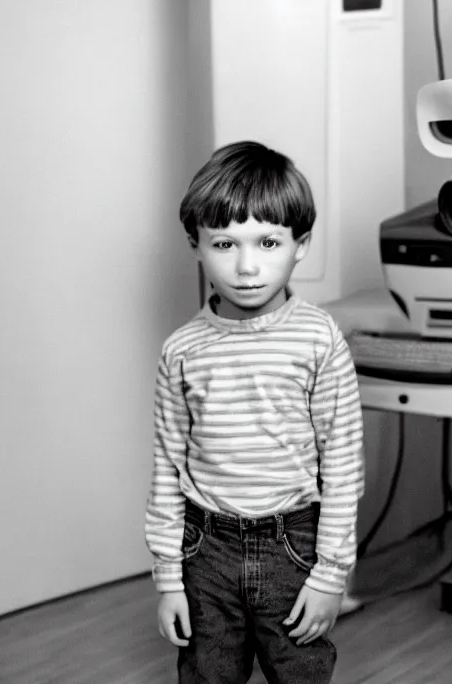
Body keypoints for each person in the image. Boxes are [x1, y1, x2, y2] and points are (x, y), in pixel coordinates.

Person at [145, 140, 364, 684]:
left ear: (301, 244)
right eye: (224, 243)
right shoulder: (181, 350)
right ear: (196, 245)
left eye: (268, 241)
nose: (246, 266)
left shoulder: (318, 338)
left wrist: (331, 575)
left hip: (295, 546)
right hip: (205, 548)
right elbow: (168, 468)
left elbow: (342, 465)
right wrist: (169, 578)